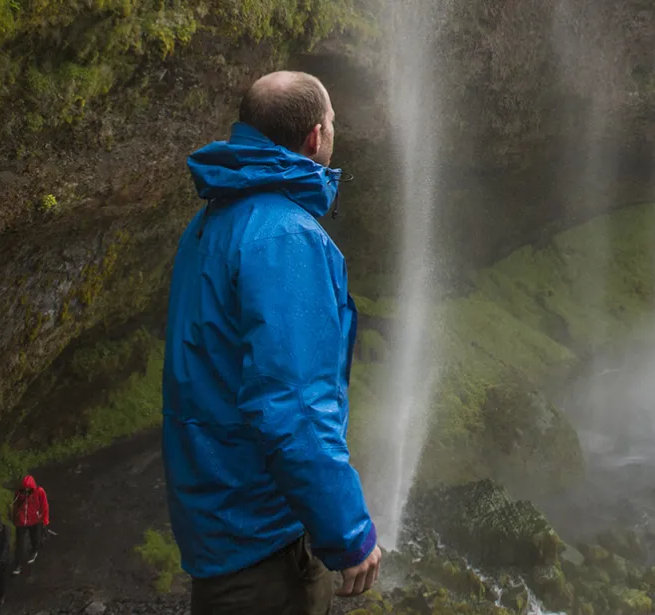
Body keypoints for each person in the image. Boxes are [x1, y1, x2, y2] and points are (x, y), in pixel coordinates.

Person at [161, 70, 380, 614]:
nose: (335, 130)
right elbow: (294, 405)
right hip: (263, 539)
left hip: (216, 521)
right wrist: (348, 533)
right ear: (314, 137)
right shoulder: (287, 237)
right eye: (332, 121)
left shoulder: (212, 221)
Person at [9, 475, 49, 575]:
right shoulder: (19, 493)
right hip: (21, 522)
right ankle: (17, 565)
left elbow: (45, 506)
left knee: (35, 538)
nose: (26, 491)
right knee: (19, 544)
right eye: (24, 488)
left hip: (34, 520)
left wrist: (45, 520)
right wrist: (14, 519)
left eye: (28, 489)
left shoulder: (39, 492)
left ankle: (35, 550)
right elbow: (15, 506)